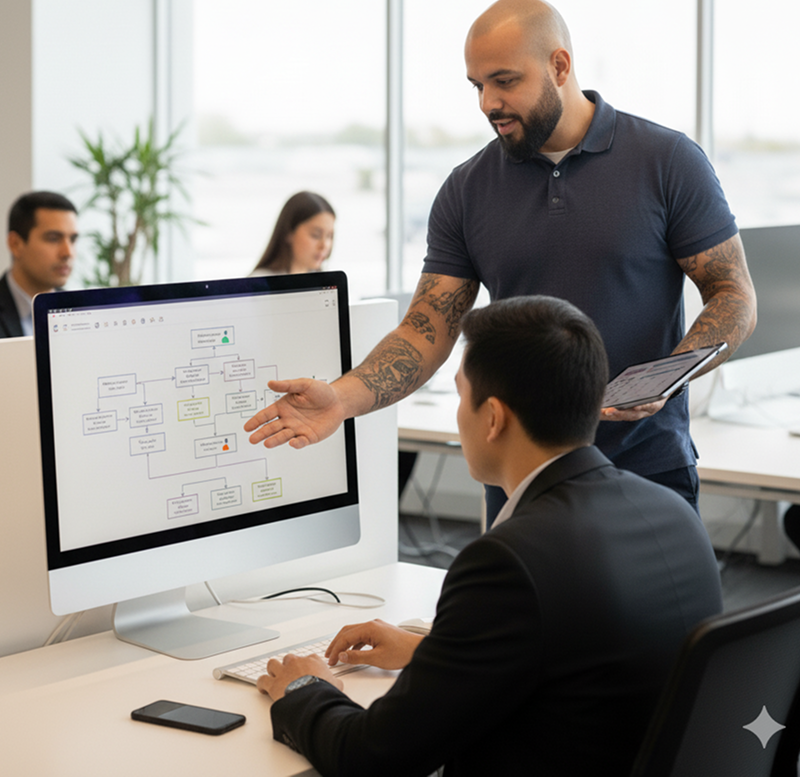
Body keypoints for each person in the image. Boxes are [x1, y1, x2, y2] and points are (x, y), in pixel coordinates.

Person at [244, 0, 756, 520]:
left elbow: (733, 294)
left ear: (560, 65)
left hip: (646, 469)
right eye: (477, 85)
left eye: (505, 81)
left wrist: (669, 374)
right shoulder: (467, 189)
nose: (488, 102)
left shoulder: (667, 161)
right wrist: (343, 398)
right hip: (520, 481)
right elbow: (425, 331)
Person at [258, 296, 724, 777]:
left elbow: (371, 757)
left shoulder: (507, 561)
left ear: (494, 418)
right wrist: (434, 654)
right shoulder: (674, 512)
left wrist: (304, 688)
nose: (459, 416)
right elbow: (591, 664)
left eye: (462, 397)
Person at [0, 191, 79, 338]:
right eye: (54, 239)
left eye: (73, 240)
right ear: (15, 244)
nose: (68, 252)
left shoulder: (79, 312)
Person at [251, 191, 335, 276]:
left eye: (329, 236)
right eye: (315, 235)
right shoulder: (258, 283)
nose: (325, 245)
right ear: (289, 232)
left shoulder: (324, 281)